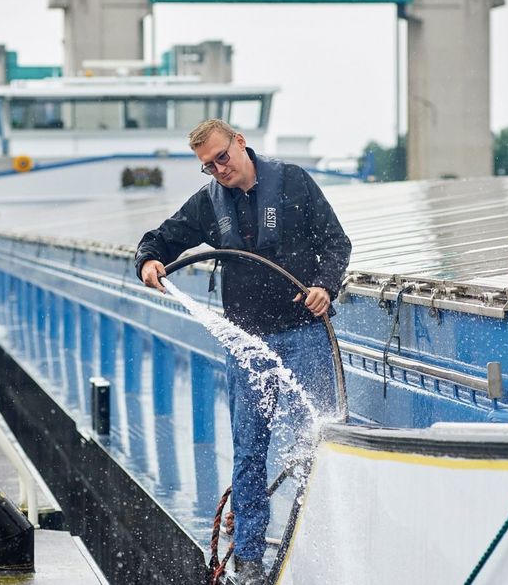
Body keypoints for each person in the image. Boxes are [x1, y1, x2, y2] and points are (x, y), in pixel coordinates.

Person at [135, 119, 351, 583]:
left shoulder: (294, 182)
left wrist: (325, 287)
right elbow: (159, 239)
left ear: (240, 142)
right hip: (247, 344)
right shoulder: (209, 205)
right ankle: (249, 561)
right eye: (208, 166)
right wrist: (148, 261)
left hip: (305, 337)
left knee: (315, 443)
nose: (218, 170)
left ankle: (317, 545)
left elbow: (337, 243)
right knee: (250, 453)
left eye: (222, 157)